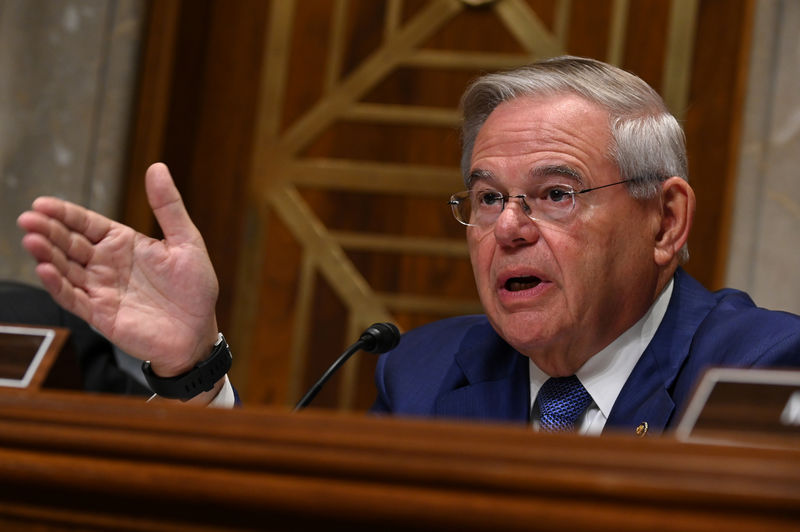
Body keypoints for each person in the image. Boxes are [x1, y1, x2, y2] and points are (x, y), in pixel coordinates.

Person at [16, 57, 800, 431]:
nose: (510, 227)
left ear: (665, 222)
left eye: (555, 195)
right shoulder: (424, 373)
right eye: (488, 197)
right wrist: (191, 364)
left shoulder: (759, 372)